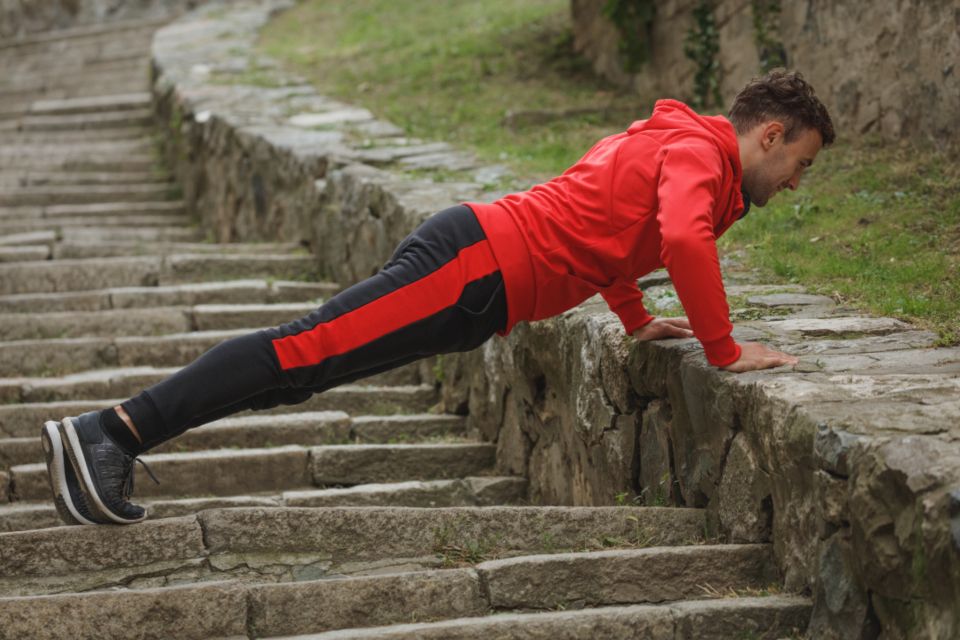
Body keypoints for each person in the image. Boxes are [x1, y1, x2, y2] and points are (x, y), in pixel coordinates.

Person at [41, 69, 834, 526]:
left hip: (477, 271)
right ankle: (111, 432)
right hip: (472, 266)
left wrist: (633, 315)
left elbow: (610, 228)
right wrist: (723, 351)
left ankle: (113, 439)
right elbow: (684, 241)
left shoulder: (681, 146)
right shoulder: (698, 149)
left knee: (303, 367)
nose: (796, 183)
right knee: (304, 348)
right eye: (799, 163)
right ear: (770, 134)